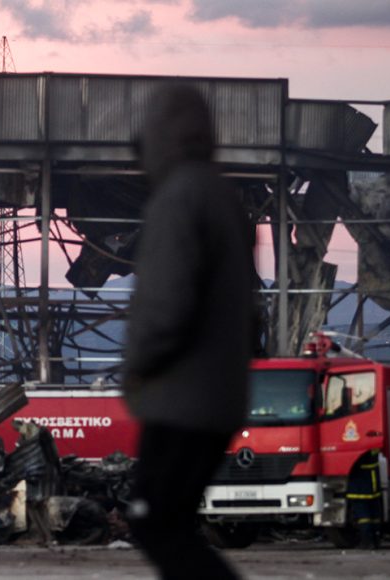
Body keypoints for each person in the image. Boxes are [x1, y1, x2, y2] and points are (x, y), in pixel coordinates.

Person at [123, 85, 255, 579]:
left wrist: (137, 367)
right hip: (218, 395)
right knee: (168, 520)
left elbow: (165, 302)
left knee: (154, 520)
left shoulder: (177, 197)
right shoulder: (223, 197)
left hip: (180, 397)